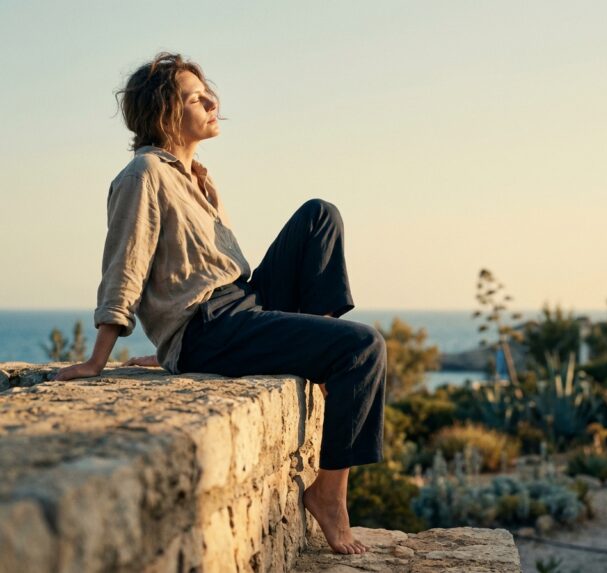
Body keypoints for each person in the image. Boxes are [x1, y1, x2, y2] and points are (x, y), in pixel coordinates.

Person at [52, 52, 387, 556]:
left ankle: (314, 346)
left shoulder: (198, 177)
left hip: (241, 303)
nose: (213, 101)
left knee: (320, 215)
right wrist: (103, 356)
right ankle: (329, 494)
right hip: (210, 323)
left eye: (208, 91)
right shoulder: (144, 173)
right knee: (363, 348)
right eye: (195, 97)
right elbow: (126, 264)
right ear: (166, 112)